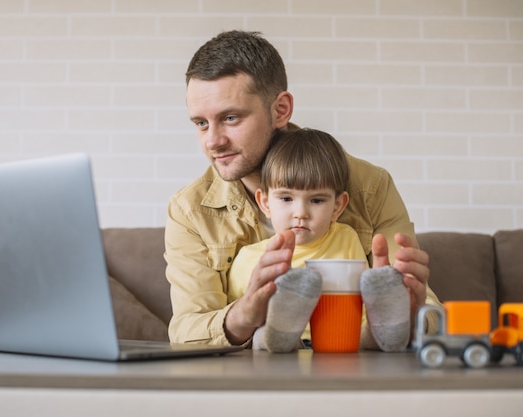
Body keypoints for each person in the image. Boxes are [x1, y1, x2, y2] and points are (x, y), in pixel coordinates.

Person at [165, 30, 440, 348]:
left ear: (280, 109)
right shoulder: (190, 210)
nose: (212, 141)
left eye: (230, 117)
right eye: (200, 123)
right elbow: (186, 331)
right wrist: (247, 313)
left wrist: (412, 312)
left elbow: (427, 311)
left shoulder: (369, 187)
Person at [227, 128, 411, 353]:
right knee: (260, 337)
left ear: (338, 206)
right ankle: (280, 334)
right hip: (282, 352)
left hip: (344, 338)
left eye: (316, 201)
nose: (301, 212)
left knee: (364, 334)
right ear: (264, 203)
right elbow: (237, 320)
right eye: (286, 198)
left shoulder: (346, 238)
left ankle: (384, 329)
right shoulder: (250, 258)